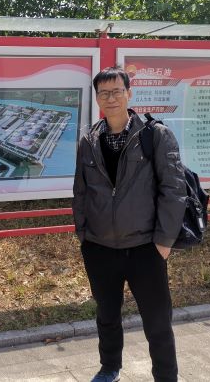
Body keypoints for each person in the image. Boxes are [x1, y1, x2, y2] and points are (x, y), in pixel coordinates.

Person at [73, 66, 186, 382]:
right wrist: (83, 234)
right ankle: (109, 367)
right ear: (97, 98)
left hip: (145, 247)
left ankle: (166, 376)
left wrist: (163, 241)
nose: (111, 98)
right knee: (107, 315)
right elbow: (80, 190)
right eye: (104, 93)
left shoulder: (155, 135)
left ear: (129, 94)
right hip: (99, 247)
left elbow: (174, 189)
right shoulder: (89, 140)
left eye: (117, 91)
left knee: (157, 321)